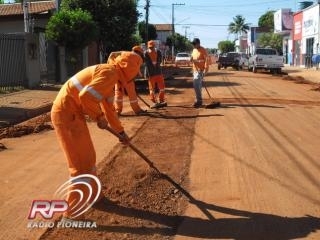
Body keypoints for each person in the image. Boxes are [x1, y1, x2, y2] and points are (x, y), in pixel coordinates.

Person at [51, 50, 143, 219]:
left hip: (72, 113)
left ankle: (94, 196)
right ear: (128, 69)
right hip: (66, 114)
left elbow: (109, 109)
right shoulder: (109, 74)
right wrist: (98, 117)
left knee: (89, 158)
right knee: (81, 165)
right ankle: (72, 212)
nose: (135, 77)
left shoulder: (111, 75)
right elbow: (86, 96)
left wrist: (120, 132)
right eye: (135, 73)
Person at [108, 46, 147, 115]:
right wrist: (134, 78)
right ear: (140, 53)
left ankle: (117, 110)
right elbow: (136, 70)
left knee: (118, 94)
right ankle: (137, 110)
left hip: (118, 76)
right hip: (128, 79)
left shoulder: (124, 53)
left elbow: (112, 53)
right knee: (132, 94)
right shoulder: (139, 58)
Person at [144, 40, 167, 108]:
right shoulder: (146, 53)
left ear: (154, 46)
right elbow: (147, 64)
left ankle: (161, 100)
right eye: (150, 47)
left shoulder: (158, 52)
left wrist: (157, 64)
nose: (151, 48)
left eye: (152, 47)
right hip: (151, 74)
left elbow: (160, 60)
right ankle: (155, 102)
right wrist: (146, 74)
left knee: (162, 88)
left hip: (158, 73)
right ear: (148, 47)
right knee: (152, 89)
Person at [190, 38, 209, 108]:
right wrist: (191, 59)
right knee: (198, 86)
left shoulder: (203, 50)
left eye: (194, 44)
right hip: (195, 70)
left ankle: (198, 101)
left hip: (200, 70)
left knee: (196, 84)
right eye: (193, 44)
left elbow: (206, 60)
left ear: (198, 44)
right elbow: (192, 57)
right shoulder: (194, 50)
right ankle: (199, 100)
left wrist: (205, 69)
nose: (193, 45)